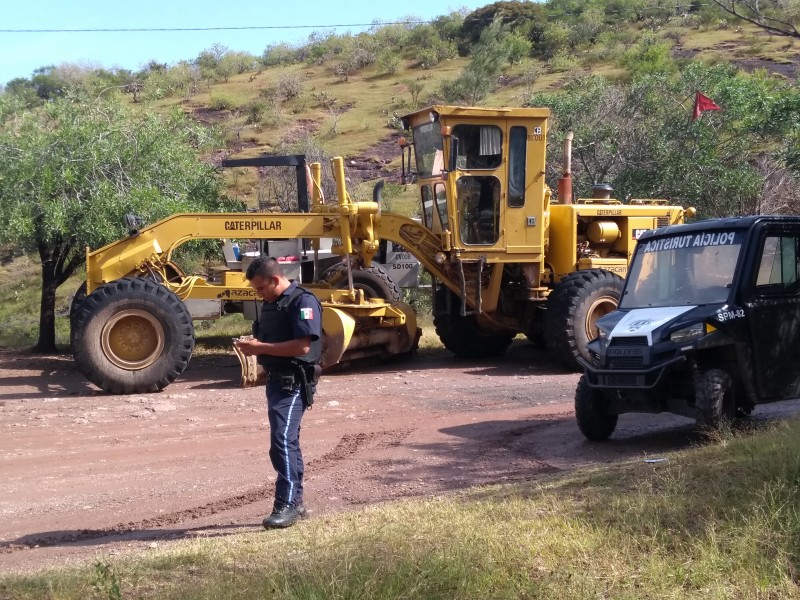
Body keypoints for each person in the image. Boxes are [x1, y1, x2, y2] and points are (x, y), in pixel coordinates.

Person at [234, 256, 322, 529]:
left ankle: (286, 505)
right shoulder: (272, 304)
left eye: (261, 289)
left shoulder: (303, 302)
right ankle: (297, 503)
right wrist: (254, 346)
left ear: (275, 280)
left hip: (295, 382)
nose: (259, 294)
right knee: (285, 442)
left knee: (282, 441)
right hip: (276, 381)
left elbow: (303, 347)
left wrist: (260, 348)